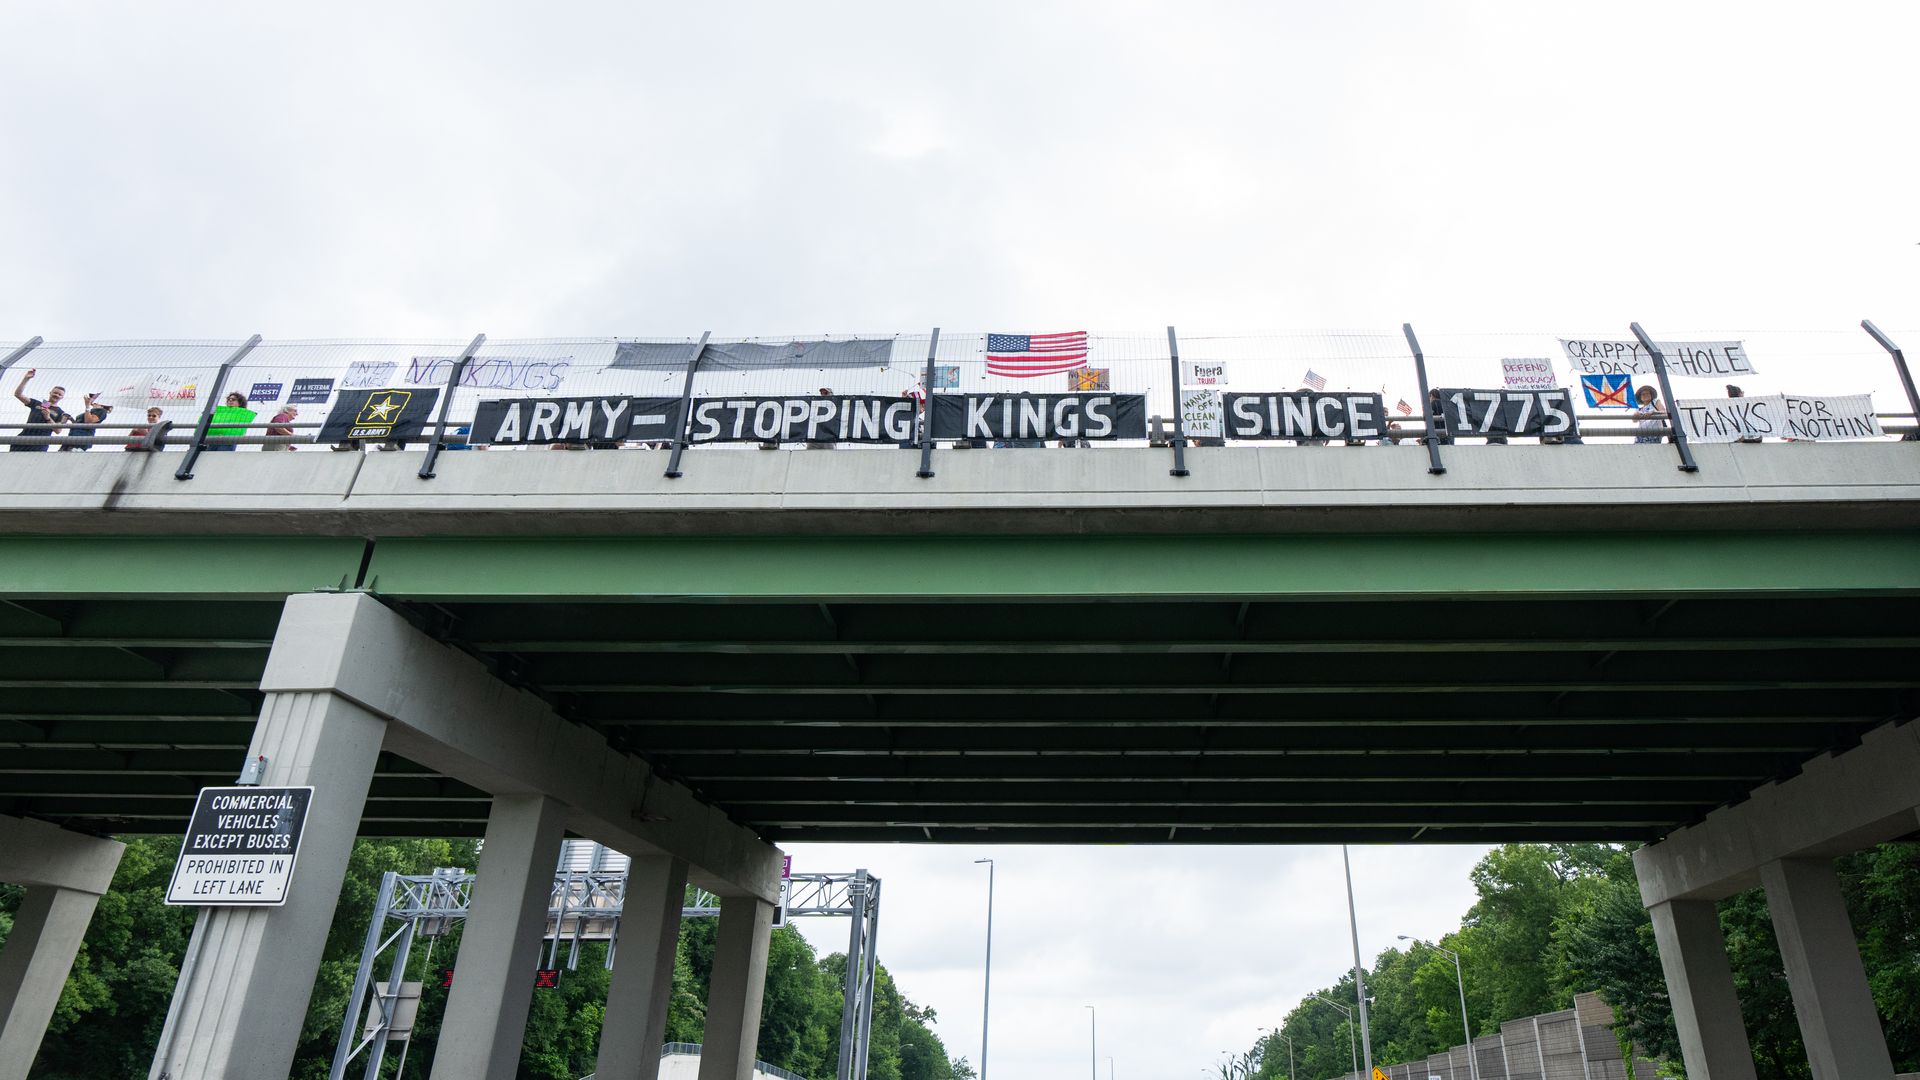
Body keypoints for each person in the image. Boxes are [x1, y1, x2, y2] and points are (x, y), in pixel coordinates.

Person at [10, 369, 68, 452]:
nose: (57, 395)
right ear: (50, 392)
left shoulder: (62, 413)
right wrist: (26, 379)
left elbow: (58, 430)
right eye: (55, 393)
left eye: (60, 394)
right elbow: (18, 394)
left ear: (62, 397)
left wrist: (48, 418)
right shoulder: (38, 404)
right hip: (23, 439)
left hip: (40, 443)